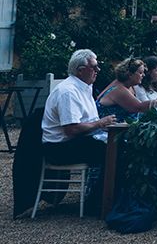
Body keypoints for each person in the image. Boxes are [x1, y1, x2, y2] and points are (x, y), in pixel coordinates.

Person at [42, 50, 116, 182]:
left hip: (75, 141)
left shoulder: (85, 87)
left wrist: (103, 126)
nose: (98, 70)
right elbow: (71, 129)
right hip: (59, 148)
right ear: (80, 71)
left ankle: (110, 196)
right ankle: (99, 198)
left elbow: (87, 122)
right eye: (94, 67)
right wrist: (99, 123)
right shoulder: (68, 91)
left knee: (119, 145)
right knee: (113, 152)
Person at [95, 57, 154, 122]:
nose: (143, 75)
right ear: (130, 74)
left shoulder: (128, 86)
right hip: (107, 130)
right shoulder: (119, 90)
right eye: (140, 73)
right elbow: (139, 107)